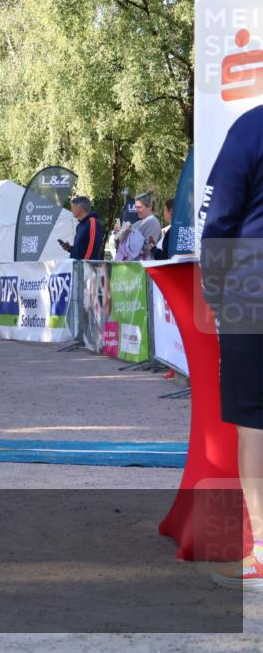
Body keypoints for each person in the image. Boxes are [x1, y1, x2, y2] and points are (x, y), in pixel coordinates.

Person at [200, 105, 263, 592]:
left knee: (255, 422)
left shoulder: (251, 127)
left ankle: (262, 550)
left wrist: (215, 287)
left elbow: (220, 217)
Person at [114, 191, 161, 261]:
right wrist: (120, 234)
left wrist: (128, 241)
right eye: (136, 207)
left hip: (143, 267)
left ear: (149, 207)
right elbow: (121, 245)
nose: (136, 210)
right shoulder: (137, 223)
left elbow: (147, 248)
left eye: (139, 207)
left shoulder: (153, 223)